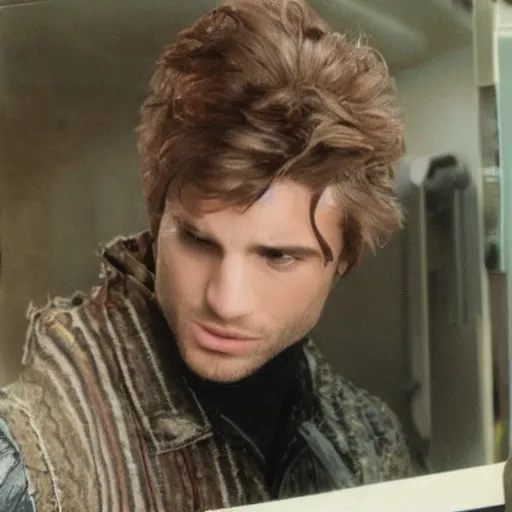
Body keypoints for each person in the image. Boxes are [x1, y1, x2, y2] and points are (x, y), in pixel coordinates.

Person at [0, 0, 421, 510]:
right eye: (199, 241)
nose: (226, 301)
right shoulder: (32, 454)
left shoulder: (370, 439)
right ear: (157, 222)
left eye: (278, 256)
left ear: (346, 258)